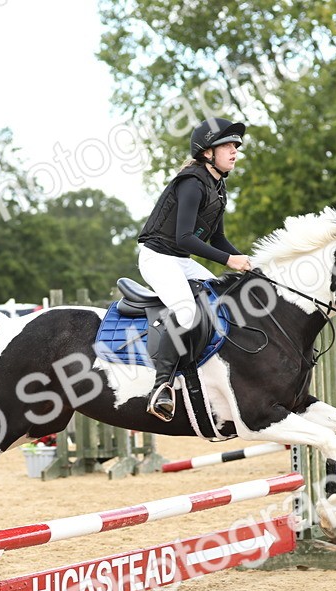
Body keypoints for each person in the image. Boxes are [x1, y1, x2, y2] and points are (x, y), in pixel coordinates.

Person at [135, 117, 252, 421]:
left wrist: (249, 263)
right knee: (186, 311)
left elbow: (219, 239)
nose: (234, 150)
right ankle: (162, 387)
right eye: (227, 145)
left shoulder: (218, 186)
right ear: (207, 152)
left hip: (181, 260)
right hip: (157, 257)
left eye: (236, 146)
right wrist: (229, 261)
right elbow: (184, 237)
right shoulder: (191, 183)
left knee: (221, 301)